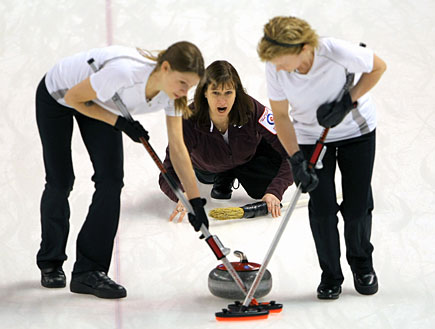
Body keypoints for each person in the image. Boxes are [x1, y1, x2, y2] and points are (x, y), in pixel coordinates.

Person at [35, 41, 208, 299]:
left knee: (111, 180)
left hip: (102, 101)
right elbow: (73, 98)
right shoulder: (125, 73)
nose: (185, 91)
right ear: (166, 67)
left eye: (190, 86)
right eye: (182, 82)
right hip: (59, 95)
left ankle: (88, 271)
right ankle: (50, 260)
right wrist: (119, 123)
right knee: (61, 181)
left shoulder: (174, 95)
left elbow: (178, 147)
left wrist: (196, 201)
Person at [257, 16, 386, 299]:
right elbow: (280, 115)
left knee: (356, 206)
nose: (276, 66)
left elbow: (378, 67)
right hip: (309, 139)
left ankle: (362, 264)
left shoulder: (336, 52)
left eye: (280, 59)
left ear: (303, 47)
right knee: (323, 208)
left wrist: (346, 101)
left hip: (357, 133)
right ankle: (331, 275)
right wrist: (295, 159)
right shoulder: (275, 66)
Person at [159, 60, 292, 222]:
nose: (222, 101)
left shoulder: (252, 108)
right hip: (208, 168)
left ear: (237, 92)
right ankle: (222, 175)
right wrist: (180, 193)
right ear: (204, 93)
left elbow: (292, 151)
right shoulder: (188, 120)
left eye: (228, 93)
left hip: (247, 158)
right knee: (206, 174)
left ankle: (232, 174)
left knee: (262, 188)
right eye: (215, 93)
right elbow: (169, 168)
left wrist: (275, 191)